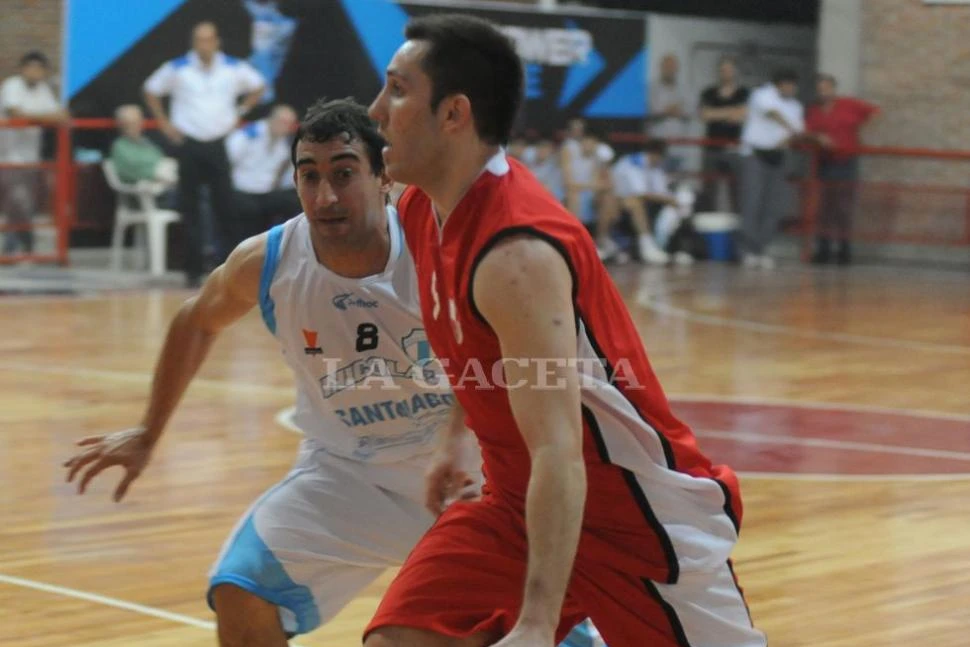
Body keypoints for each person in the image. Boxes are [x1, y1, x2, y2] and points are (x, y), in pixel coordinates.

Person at [62, 98, 596, 647]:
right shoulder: (269, 262)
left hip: (465, 477)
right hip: (346, 475)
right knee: (241, 591)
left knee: (548, 632)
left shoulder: (439, 241)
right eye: (309, 176)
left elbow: (493, 347)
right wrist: (149, 432)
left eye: (344, 174)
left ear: (384, 175)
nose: (325, 196)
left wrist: (459, 437)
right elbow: (196, 320)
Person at [367, 14, 764, 647]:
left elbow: (560, 448)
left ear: (454, 114)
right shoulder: (420, 209)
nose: (377, 109)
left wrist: (535, 621)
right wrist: (456, 436)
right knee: (406, 638)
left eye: (397, 89)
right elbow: (476, 352)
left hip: (631, 520)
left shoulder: (515, 254)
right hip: (515, 503)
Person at [143, 21, 265, 287]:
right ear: (193, 42)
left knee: (226, 206)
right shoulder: (177, 68)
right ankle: (192, 271)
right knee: (190, 208)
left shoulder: (233, 66)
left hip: (219, 143)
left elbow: (258, 86)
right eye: (199, 39)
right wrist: (164, 123)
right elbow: (151, 89)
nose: (204, 45)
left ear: (217, 41)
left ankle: (232, 267)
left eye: (208, 39)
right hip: (189, 144)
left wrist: (241, 112)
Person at [805, 73, 879, 265]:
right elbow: (806, 131)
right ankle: (824, 248)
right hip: (825, 162)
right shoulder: (814, 111)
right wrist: (817, 138)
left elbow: (874, 112)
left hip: (846, 161)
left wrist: (861, 134)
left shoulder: (849, 105)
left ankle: (844, 250)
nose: (823, 92)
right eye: (820, 89)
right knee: (824, 207)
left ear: (833, 89)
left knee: (843, 207)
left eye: (826, 88)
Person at [0, 50, 68, 257]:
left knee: (25, 202)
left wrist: (40, 118)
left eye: (39, 68)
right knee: (17, 200)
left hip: (31, 157)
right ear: (23, 69)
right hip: (7, 156)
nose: (35, 72)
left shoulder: (44, 89)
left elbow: (61, 115)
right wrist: (44, 118)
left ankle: (20, 246)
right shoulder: (12, 86)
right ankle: (18, 245)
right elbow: (15, 113)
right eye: (31, 67)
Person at [737, 68, 805, 269]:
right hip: (756, 154)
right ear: (778, 84)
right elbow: (772, 113)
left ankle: (761, 248)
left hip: (778, 156)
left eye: (793, 85)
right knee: (752, 202)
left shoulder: (796, 106)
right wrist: (788, 126)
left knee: (773, 206)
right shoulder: (762, 95)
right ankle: (746, 250)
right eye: (787, 84)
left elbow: (797, 131)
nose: (790, 88)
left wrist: (786, 137)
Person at [225, 103, 301, 247]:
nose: (286, 127)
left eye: (290, 124)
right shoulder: (250, 134)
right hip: (242, 189)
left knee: (294, 204)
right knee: (249, 211)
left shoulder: (286, 142)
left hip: (267, 192)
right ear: (272, 119)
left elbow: (287, 174)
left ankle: (286, 247)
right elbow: (228, 160)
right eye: (283, 123)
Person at [697, 55, 749, 213]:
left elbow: (742, 115)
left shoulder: (743, 93)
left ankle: (737, 226)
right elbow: (705, 115)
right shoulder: (708, 93)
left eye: (729, 69)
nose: (725, 72)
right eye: (723, 70)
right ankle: (708, 226)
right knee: (709, 189)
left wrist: (717, 113)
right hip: (712, 147)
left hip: (735, 148)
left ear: (735, 72)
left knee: (738, 190)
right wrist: (730, 112)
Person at [109, 104, 178, 187]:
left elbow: (158, 155)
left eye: (137, 122)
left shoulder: (144, 141)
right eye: (130, 123)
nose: (136, 126)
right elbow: (129, 169)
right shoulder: (119, 146)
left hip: (160, 177)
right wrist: (153, 170)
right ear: (121, 125)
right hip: (143, 182)